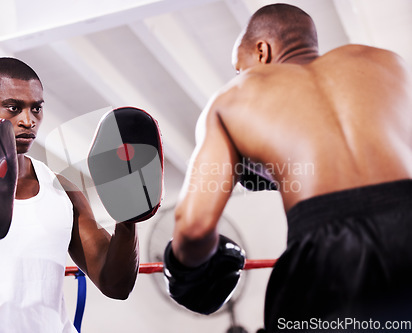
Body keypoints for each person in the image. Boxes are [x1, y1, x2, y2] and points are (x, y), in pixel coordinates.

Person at [164, 3, 412, 332]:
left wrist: (184, 272)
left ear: (262, 50)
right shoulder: (388, 63)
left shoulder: (234, 99)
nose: (241, 77)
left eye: (241, 68)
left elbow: (193, 227)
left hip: (328, 257)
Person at [0, 57, 140, 332]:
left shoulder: (60, 188)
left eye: (36, 108)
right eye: (13, 108)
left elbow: (116, 285)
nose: (28, 121)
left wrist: (129, 219)